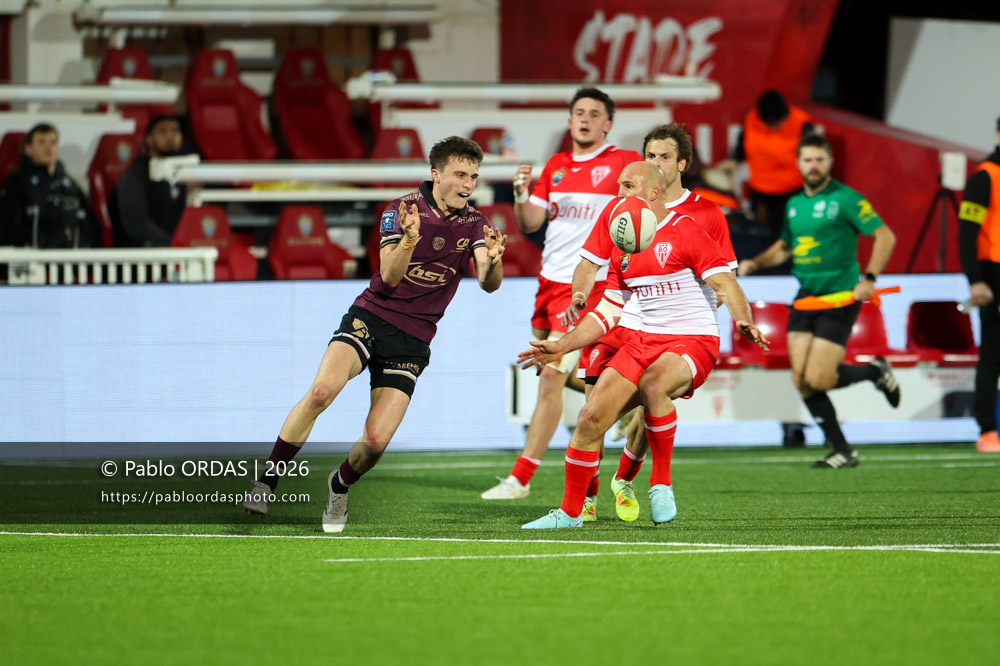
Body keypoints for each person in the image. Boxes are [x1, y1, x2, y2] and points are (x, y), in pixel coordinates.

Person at [242, 136, 507, 532]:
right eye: (459, 175)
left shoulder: (476, 224)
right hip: (372, 317)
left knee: (376, 442)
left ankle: (339, 484)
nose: (468, 184)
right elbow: (389, 275)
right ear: (436, 174)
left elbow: (488, 283)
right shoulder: (401, 210)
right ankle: (267, 481)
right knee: (321, 392)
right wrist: (411, 239)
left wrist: (495, 261)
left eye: (473, 176)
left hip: (413, 340)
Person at [516, 161, 768, 529]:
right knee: (589, 419)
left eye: (628, 185)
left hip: (694, 338)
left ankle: (661, 484)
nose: (619, 193)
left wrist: (743, 318)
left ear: (654, 193)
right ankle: (570, 514)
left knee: (653, 384)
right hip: (643, 339)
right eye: (618, 185)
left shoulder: (687, 230)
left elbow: (726, 284)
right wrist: (562, 346)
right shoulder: (623, 246)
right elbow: (608, 311)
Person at [566, 123, 738, 522]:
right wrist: (578, 296)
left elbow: (725, 276)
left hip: (670, 330)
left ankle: (626, 478)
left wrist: (701, 313)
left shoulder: (705, 213)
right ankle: (587, 499)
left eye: (665, 156)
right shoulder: (621, 209)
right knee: (594, 411)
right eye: (650, 156)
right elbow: (589, 264)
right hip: (620, 320)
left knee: (654, 397)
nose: (656, 163)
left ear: (682, 164)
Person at [480, 87, 641, 502]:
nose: (584, 119)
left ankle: (521, 478)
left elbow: (645, 210)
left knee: (551, 375)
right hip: (548, 282)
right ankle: (620, 403)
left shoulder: (623, 163)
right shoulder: (556, 165)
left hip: (591, 285)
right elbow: (531, 223)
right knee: (557, 371)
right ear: (569, 121)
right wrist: (519, 195)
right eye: (578, 112)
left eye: (594, 114)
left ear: (608, 124)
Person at [737, 133, 899, 468]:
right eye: (808, 160)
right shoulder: (795, 204)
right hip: (805, 298)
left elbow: (885, 236)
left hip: (839, 298)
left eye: (819, 160)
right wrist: (755, 263)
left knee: (820, 379)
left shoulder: (846, 199)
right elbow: (785, 247)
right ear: (798, 164)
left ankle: (874, 372)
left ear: (830, 162)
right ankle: (843, 451)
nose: (814, 166)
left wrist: (869, 278)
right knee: (802, 380)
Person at [957, 116, 1000, 453]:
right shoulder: (985, 177)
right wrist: (975, 280)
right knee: (993, 354)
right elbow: (966, 234)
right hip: (994, 276)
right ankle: (987, 430)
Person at [723, 90, 813, 235]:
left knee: (789, 236)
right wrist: (735, 161)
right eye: (768, 123)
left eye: (777, 123)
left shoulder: (802, 123)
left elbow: (811, 159)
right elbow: (742, 142)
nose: (773, 127)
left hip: (791, 193)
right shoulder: (751, 117)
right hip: (760, 192)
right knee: (761, 234)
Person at [0, 122, 99, 248]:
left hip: (70, 255)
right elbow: (9, 227)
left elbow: (89, 222)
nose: (48, 148)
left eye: (53, 143)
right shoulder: (16, 183)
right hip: (30, 255)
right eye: (41, 142)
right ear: (28, 149)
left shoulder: (69, 184)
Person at [114, 115, 188, 247]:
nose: (170, 136)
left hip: (179, 248)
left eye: (175, 131)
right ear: (148, 139)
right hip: (143, 250)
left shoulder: (189, 172)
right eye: (163, 131)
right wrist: (171, 242)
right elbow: (136, 222)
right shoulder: (135, 173)